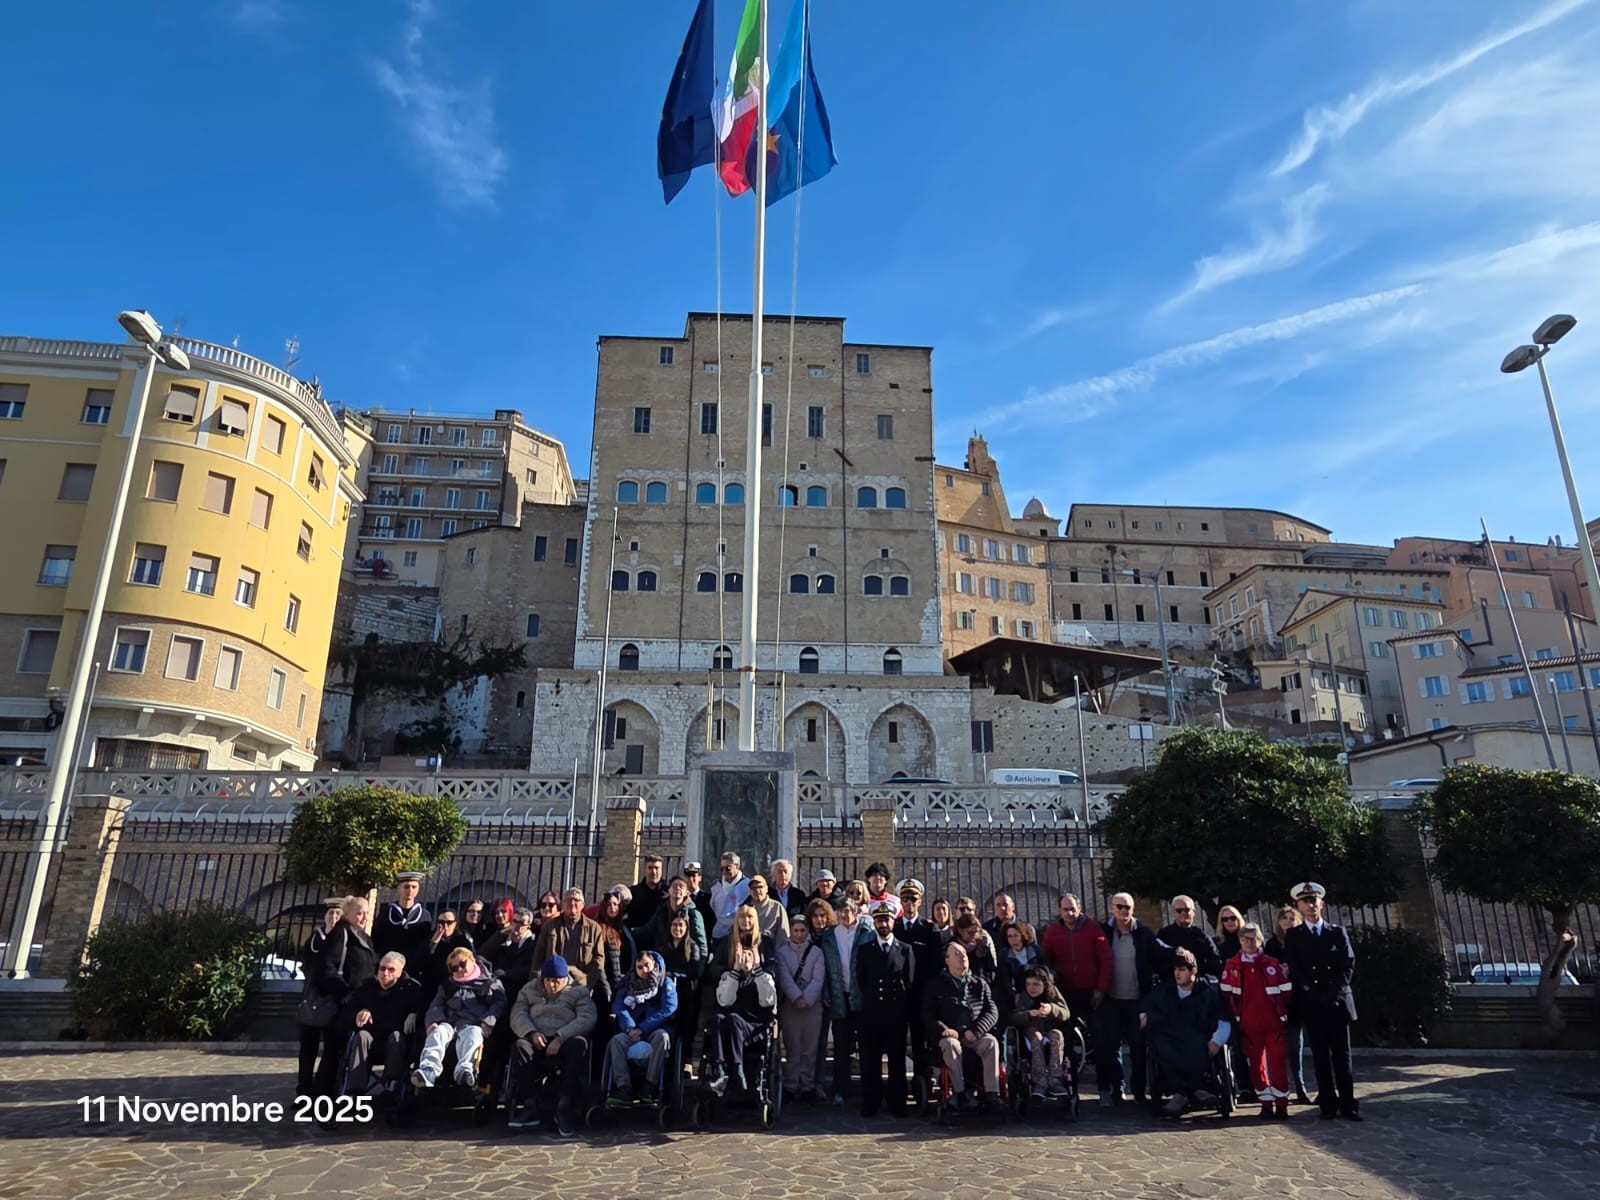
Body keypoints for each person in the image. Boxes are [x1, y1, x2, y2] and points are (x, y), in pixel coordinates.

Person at [1278, 881, 1360, 1121]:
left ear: (1321, 904)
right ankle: (1327, 1104)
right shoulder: (1295, 935)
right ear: (1299, 906)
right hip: (1312, 1002)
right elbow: (1294, 966)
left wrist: (1334, 991)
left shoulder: (1337, 932)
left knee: (1342, 1056)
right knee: (1321, 1056)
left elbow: (1348, 964)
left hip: (1337, 1002)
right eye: (1305, 901)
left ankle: (1348, 1104)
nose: (1311, 905)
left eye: (1314, 901)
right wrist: (1312, 991)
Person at [508, 955, 597, 1135]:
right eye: (548, 980)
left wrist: (561, 1036)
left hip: (564, 1039)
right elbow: (518, 1013)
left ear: (565, 978)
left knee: (580, 1045)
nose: (552, 985)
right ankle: (530, 1104)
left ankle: (564, 1104)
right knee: (519, 1047)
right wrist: (531, 1033)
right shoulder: (529, 990)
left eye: (557, 981)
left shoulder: (578, 991)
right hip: (536, 1037)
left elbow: (587, 1018)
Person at [1140, 947, 1231, 1117]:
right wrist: (1144, 1016)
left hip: (1199, 1039)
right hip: (1172, 1039)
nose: (1177, 974)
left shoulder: (1208, 993)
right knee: (1159, 1044)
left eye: (1182, 969)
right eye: (1175, 969)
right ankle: (1194, 1090)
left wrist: (1217, 1040)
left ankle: (1184, 1093)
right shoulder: (1165, 992)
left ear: (1193, 971)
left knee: (1198, 1046)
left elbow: (1223, 1019)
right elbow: (1147, 1007)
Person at [1040, 892, 1112, 1102]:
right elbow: (1046, 962)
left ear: (1079, 908)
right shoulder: (1053, 932)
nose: (1069, 913)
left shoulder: (1093, 929)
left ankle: (1105, 1089)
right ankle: (1071, 1088)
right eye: (1065, 909)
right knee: (1066, 1041)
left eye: (1073, 909)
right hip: (1066, 994)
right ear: (1060, 911)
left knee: (1101, 1040)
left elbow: (1105, 959)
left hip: (1092, 992)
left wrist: (1101, 988)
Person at [1221, 921, 1292, 1120]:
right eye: (1245, 939)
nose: (1249, 942)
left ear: (1261, 941)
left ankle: (1281, 1104)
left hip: (1273, 1023)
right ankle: (1266, 1103)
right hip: (1248, 1024)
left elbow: (1286, 992)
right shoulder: (1232, 965)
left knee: (1277, 1063)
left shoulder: (1271, 964)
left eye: (1253, 938)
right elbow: (1227, 993)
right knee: (1256, 1066)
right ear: (1240, 941)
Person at [851, 900, 915, 1117]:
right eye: (879, 920)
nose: (883, 924)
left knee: (897, 1061)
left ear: (893, 922)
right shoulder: (865, 949)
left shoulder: (905, 950)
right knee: (870, 1061)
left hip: (896, 1014)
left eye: (886, 919)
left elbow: (909, 981)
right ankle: (872, 1103)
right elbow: (861, 979)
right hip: (871, 1014)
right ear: (875, 923)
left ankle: (898, 1103)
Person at [411, 947, 508, 1091]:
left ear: (472, 960)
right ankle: (428, 1070)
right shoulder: (448, 985)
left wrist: (487, 1021)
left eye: (463, 964)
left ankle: (465, 1071)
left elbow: (500, 1004)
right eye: (454, 967)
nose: (460, 969)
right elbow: (436, 1005)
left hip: (475, 1023)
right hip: (450, 1022)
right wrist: (432, 1022)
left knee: (473, 1035)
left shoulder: (490, 982)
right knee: (437, 1033)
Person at [703, 913, 778, 1096]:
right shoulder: (728, 976)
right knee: (719, 1017)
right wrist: (736, 970)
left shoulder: (765, 976)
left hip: (754, 1024)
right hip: (732, 1022)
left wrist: (757, 969)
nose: (745, 958)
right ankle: (720, 1069)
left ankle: (737, 1070)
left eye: (748, 955)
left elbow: (768, 1002)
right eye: (741, 955)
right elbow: (724, 1001)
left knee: (734, 1019)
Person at [923, 941, 1001, 1113]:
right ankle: (959, 1093)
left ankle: (991, 1094)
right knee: (951, 1045)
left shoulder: (979, 983)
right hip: (950, 1036)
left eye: (964, 954)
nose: (963, 957)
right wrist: (943, 1029)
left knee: (991, 1043)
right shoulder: (936, 985)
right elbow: (928, 1014)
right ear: (947, 960)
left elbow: (992, 1011)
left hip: (974, 1034)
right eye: (957, 954)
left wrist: (977, 1030)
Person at [313, 895, 377, 1096]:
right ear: (348, 914)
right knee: (335, 1050)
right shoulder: (342, 933)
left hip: (360, 999)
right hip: (343, 1002)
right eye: (359, 913)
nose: (364, 917)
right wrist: (344, 993)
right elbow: (326, 968)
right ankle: (325, 1095)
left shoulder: (361, 934)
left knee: (343, 1049)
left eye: (367, 913)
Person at [1100, 891, 1159, 1105]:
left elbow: (1159, 953)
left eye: (1127, 907)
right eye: (1119, 907)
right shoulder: (1103, 932)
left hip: (1137, 999)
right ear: (1111, 907)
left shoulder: (1144, 934)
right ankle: (1118, 1088)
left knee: (1138, 1047)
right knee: (1112, 1046)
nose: (1123, 911)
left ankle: (1139, 1090)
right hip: (1112, 999)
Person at [342, 950, 423, 1100]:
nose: (385, 973)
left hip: (396, 1045)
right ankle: (354, 1090)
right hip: (370, 1043)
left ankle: (391, 1086)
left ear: (400, 972)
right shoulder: (366, 988)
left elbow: (423, 1011)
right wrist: (357, 1014)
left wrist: (414, 1014)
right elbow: (344, 1016)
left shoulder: (411, 989)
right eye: (382, 968)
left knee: (396, 1037)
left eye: (391, 970)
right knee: (362, 1036)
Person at [605, 949, 677, 1107]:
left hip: (655, 1028)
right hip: (632, 1029)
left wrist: (643, 1028)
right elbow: (619, 1006)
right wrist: (630, 1027)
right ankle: (623, 1087)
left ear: (654, 965)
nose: (644, 970)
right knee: (616, 1041)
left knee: (662, 1038)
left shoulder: (665, 982)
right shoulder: (628, 983)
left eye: (647, 966)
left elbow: (668, 1008)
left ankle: (650, 1085)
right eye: (640, 967)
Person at [894, 879, 944, 1089]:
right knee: (896, 1042)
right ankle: (898, 1086)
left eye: (913, 899)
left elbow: (935, 965)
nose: (909, 903)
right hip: (898, 995)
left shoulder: (929, 930)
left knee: (920, 1042)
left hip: (921, 996)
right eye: (905, 899)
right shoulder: (894, 927)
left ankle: (920, 1082)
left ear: (920, 901)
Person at [1264, 903, 1312, 1104]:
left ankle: (1300, 1086)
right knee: (1276, 1049)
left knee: (1295, 1045)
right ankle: (1279, 1087)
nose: (1288, 922)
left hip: (1296, 1000)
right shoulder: (1272, 944)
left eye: (1292, 918)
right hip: (1276, 1002)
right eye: (1285, 918)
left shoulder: (1303, 940)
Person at [295, 898, 343, 1096]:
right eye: (330, 913)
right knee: (307, 1049)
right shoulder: (314, 940)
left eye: (338, 914)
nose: (333, 917)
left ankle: (324, 1089)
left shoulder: (344, 940)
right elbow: (306, 964)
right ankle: (304, 1090)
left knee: (332, 1049)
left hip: (334, 1001)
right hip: (312, 999)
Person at [776, 913, 826, 1102]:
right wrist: (796, 996)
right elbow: (784, 977)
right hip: (790, 1005)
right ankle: (790, 1085)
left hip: (812, 1006)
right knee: (792, 1046)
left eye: (802, 930)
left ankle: (807, 1085)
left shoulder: (816, 952)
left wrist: (807, 998)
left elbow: (818, 978)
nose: (799, 934)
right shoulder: (782, 952)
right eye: (795, 930)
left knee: (810, 1047)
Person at [533, 887, 611, 1008]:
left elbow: (598, 960)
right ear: (562, 904)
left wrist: (587, 984)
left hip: (580, 987)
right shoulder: (550, 926)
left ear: (583, 905)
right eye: (568, 900)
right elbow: (538, 957)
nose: (572, 903)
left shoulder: (594, 928)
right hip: (553, 986)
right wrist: (535, 983)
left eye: (576, 900)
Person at [1008, 964, 1073, 1102]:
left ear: (1045, 984)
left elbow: (1066, 1012)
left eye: (1036, 984)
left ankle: (1055, 1080)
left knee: (1057, 1036)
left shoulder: (1053, 993)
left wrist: (1052, 1008)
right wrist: (1028, 1014)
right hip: (1032, 1029)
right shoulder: (1022, 997)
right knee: (1036, 1037)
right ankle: (1040, 1081)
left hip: (1051, 1027)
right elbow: (1013, 1018)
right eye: (1029, 984)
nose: (1032, 988)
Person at [819, 897, 862, 1106]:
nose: (845, 915)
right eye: (841, 911)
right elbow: (824, 969)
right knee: (841, 1046)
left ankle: (867, 1088)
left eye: (848, 911)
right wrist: (826, 992)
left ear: (856, 912)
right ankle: (840, 1090)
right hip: (838, 995)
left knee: (866, 1045)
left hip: (859, 995)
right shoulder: (829, 936)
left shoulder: (865, 933)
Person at [659, 910, 707, 1055]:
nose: (677, 929)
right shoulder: (663, 945)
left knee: (686, 1028)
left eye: (681, 925)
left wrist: (674, 973)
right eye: (674, 925)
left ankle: (685, 1061)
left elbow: (695, 971)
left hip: (686, 994)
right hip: (666, 992)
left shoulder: (692, 947)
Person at [373, 870, 433, 973]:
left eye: (414, 887)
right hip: (389, 968)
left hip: (413, 968)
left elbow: (426, 943)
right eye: (406, 887)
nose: (410, 890)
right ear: (399, 889)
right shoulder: (386, 913)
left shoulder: (424, 915)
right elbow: (376, 939)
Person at [1156, 895, 1223, 982]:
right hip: (1170, 984)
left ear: (1193, 911)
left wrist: (1198, 974)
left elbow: (1215, 963)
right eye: (1179, 910)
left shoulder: (1202, 936)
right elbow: (1158, 958)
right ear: (1174, 912)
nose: (1183, 913)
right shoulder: (1164, 934)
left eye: (1187, 910)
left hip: (1196, 984)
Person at [640, 874, 708, 957]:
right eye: (674, 885)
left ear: (686, 893)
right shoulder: (661, 912)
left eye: (681, 886)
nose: (677, 888)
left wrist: (699, 967)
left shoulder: (693, 914)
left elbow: (701, 944)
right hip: (664, 960)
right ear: (669, 890)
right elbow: (646, 931)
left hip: (686, 963)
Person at [422, 907, 476, 998]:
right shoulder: (431, 938)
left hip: (457, 983)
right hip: (433, 983)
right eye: (441, 922)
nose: (445, 926)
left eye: (449, 923)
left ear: (455, 924)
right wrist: (434, 942)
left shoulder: (462, 940)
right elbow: (421, 960)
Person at [487, 907, 539, 995]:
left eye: (521, 923)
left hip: (519, 990)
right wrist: (500, 935)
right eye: (515, 921)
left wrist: (507, 973)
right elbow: (484, 954)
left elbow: (530, 969)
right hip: (496, 988)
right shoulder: (502, 940)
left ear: (528, 926)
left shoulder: (532, 945)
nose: (517, 926)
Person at [709, 852, 751, 943]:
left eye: (728, 868)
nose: (724, 872)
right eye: (722, 868)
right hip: (718, 937)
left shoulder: (748, 886)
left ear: (737, 866)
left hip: (740, 936)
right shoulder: (716, 887)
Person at [627, 854, 668, 933]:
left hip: (661, 941)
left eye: (657, 868)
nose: (653, 872)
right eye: (650, 868)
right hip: (637, 940)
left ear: (661, 870)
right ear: (645, 870)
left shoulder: (668, 893)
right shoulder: (633, 892)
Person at [745, 875, 787, 941]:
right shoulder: (745, 909)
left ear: (766, 889)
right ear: (749, 891)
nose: (757, 890)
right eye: (753, 888)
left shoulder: (777, 907)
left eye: (760, 887)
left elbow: (784, 935)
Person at [477, 898, 517, 964]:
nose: (500, 915)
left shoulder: (518, 929)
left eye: (503, 911)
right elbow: (482, 954)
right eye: (497, 912)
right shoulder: (488, 930)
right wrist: (500, 934)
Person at [684, 862, 715, 935]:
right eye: (688, 877)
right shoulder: (681, 898)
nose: (691, 879)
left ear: (700, 877)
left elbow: (711, 921)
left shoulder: (708, 898)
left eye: (694, 876)